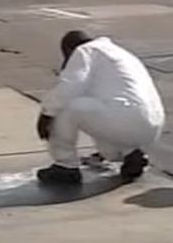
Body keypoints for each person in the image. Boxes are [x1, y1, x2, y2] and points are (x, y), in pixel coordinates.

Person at [35, 30, 165, 185]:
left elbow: (69, 87)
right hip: (150, 128)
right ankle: (129, 153)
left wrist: (46, 114)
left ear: (69, 50)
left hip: (125, 120)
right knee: (98, 108)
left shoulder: (85, 51)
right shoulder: (119, 54)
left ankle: (65, 166)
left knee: (66, 107)